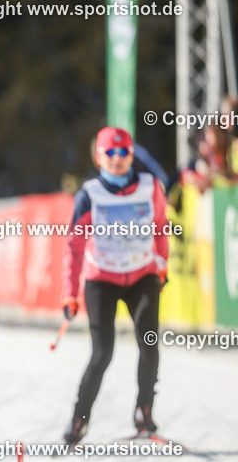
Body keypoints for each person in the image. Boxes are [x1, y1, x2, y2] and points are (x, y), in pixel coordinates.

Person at [62, 126, 169, 444]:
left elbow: (161, 228)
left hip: (142, 275)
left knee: (149, 344)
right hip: (102, 280)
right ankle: (78, 421)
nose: (118, 159)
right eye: (110, 153)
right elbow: (74, 247)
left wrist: (161, 267)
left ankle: (144, 414)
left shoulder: (150, 186)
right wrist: (69, 292)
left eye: (124, 153)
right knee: (102, 353)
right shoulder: (89, 195)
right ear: (98, 158)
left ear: (132, 155)